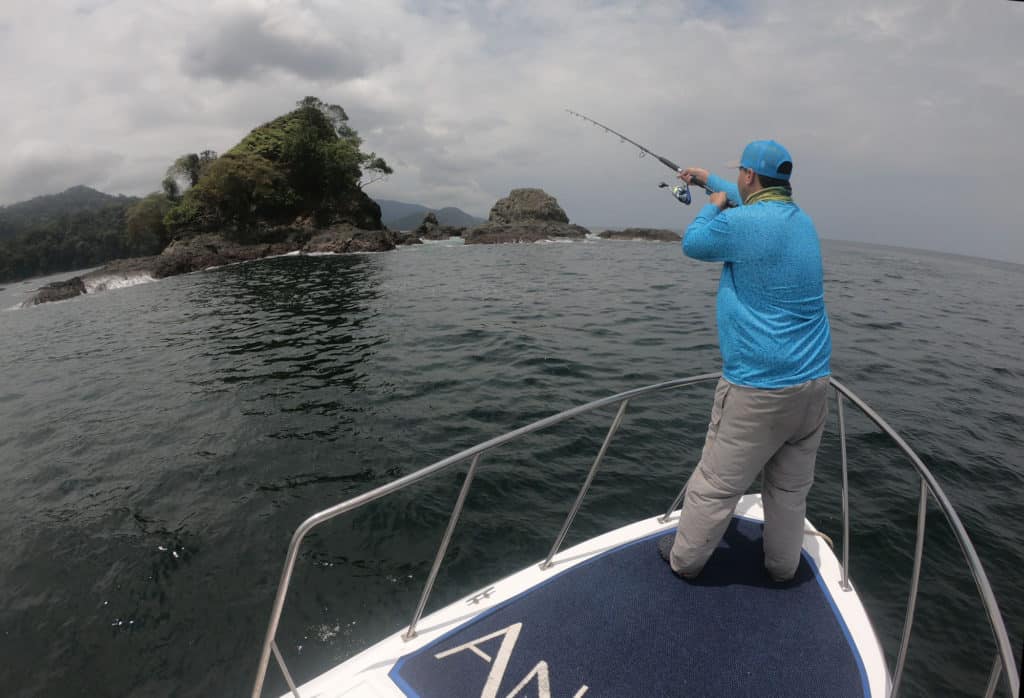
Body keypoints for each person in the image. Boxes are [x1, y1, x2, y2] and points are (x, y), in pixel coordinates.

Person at [660, 139, 832, 582]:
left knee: (717, 485)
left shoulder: (744, 222)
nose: (735, 179)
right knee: (790, 490)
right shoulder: (800, 221)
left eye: (738, 173)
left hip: (758, 388)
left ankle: (684, 561)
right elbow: (747, 200)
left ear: (750, 176)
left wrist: (712, 204)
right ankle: (781, 567)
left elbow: (694, 244)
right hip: (813, 385)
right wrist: (703, 178)